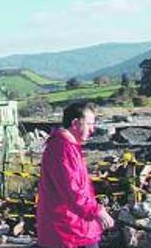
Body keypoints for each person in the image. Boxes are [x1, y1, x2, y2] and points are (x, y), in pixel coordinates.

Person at [36, 102, 114, 248]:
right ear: (75, 123)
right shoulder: (62, 150)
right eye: (90, 124)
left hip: (74, 228)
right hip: (68, 231)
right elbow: (72, 190)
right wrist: (96, 211)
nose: (93, 129)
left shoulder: (67, 147)